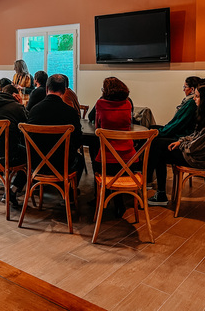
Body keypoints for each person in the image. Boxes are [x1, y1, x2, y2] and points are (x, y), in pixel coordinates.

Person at [148, 82, 205, 206]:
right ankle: (153, 187)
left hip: (199, 158)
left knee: (157, 146)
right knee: (159, 144)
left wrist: (181, 145)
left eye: (197, 96)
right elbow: (197, 136)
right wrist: (181, 141)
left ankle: (154, 188)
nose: (194, 98)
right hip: (202, 154)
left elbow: (197, 145)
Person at [27, 74, 85, 186]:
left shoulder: (34, 110)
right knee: (80, 160)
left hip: (36, 162)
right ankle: (69, 193)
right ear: (64, 90)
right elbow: (77, 140)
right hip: (62, 163)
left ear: (47, 89)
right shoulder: (70, 112)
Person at [93, 77, 137, 217]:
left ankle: (100, 198)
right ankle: (119, 203)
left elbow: (97, 127)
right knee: (115, 165)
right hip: (129, 158)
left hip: (108, 157)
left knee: (96, 159)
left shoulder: (100, 103)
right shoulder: (128, 103)